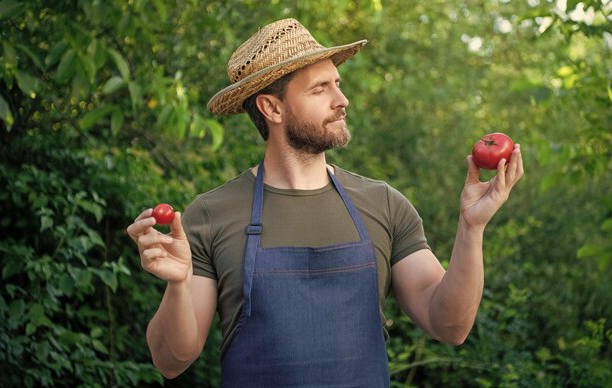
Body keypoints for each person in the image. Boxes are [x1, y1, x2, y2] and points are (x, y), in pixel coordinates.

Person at [126, 18, 524, 387]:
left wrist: (472, 229)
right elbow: (171, 360)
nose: (342, 99)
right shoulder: (212, 214)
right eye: (321, 89)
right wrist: (178, 285)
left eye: (337, 83)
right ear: (272, 107)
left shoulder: (384, 205)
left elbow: (449, 326)